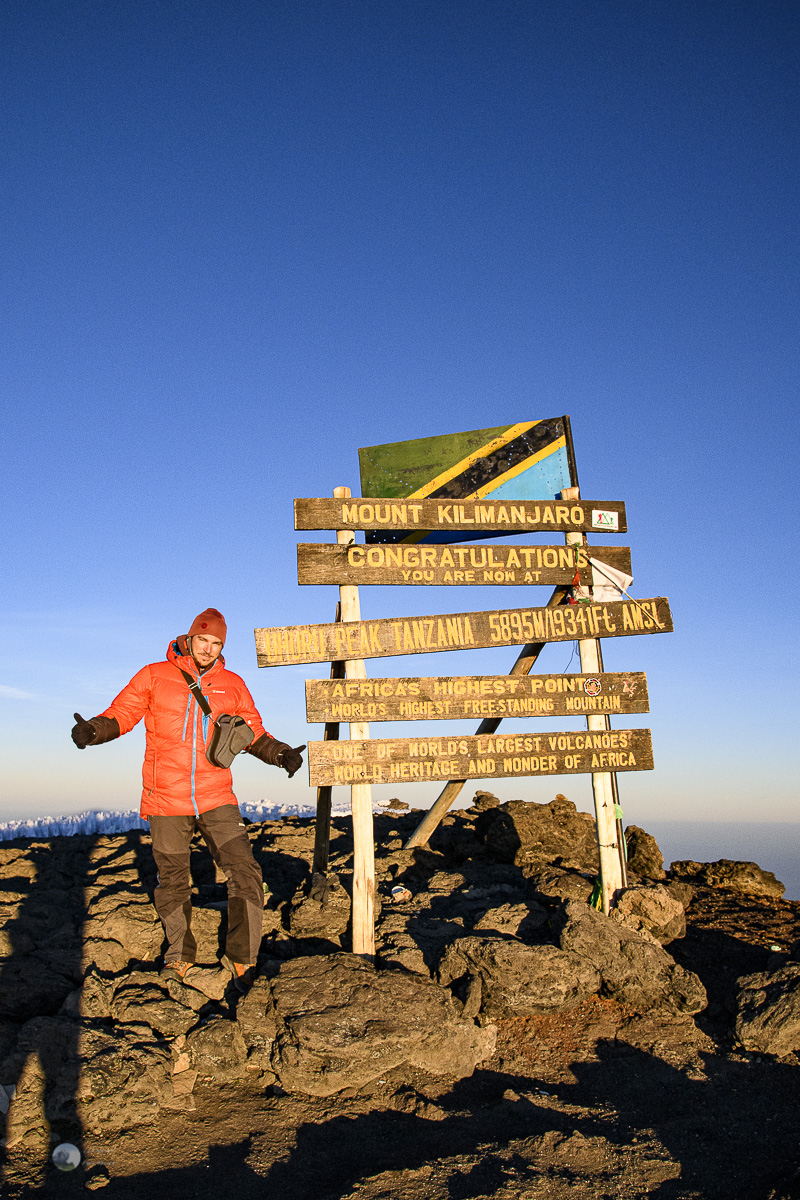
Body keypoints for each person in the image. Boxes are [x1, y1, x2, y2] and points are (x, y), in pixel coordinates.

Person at [71, 608, 304, 991]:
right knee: (173, 882)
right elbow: (122, 714)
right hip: (166, 800)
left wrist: (279, 754)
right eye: (204, 640)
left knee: (245, 873)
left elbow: (252, 731)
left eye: (217, 644)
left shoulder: (233, 684)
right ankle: (180, 954)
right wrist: (94, 730)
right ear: (190, 637)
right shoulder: (154, 675)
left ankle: (242, 957)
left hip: (217, 798)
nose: (209, 648)